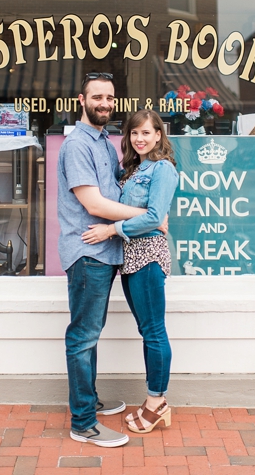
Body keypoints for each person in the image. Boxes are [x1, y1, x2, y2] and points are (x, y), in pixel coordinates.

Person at [56, 72, 151, 448]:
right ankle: (82, 422)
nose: (104, 104)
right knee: (82, 336)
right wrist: (146, 218)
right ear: (82, 100)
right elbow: (93, 204)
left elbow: (115, 189)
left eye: (109, 98)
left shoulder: (105, 142)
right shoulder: (78, 145)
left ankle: (90, 401)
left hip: (105, 250)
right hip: (87, 252)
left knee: (90, 334)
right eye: (97, 97)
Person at [82, 109, 179, 434]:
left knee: (154, 331)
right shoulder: (136, 168)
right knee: (146, 330)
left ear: (158, 136)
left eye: (146, 133)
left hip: (148, 255)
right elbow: (147, 212)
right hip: (130, 258)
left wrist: (111, 230)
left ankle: (157, 402)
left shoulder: (163, 169)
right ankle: (154, 401)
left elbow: (153, 218)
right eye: (135, 133)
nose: (140, 138)